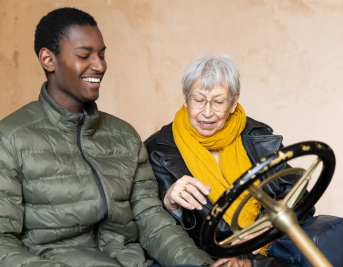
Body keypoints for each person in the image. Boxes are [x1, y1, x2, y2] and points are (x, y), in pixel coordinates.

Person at [0, 8, 214, 267]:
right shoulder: (10, 138)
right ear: (48, 59)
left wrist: (199, 264)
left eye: (101, 55)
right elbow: (3, 242)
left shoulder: (124, 136)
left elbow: (151, 219)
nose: (100, 66)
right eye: (84, 55)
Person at [145, 55, 343, 267]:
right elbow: (153, 226)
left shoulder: (257, 136)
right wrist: (171, 204)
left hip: (265, 247)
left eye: (218, 102)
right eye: (198, 100)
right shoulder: (157, 150)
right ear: (185, 98)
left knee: (336, 232)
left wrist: (269, 229)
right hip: (207, 253)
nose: (207, 113)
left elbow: (298, 197)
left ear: (234, 102)